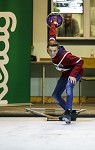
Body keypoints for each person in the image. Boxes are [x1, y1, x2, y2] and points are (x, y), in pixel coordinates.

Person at [47, 21, 84, 123]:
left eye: (54, 51)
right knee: (55, 95)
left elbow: (80, 61)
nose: (52, 53)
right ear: (48, 49)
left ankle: (68, 113)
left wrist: (73, 75)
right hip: (65, 74)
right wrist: (53, 24)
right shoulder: (51, 46)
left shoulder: (65, 55)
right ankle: (71, 113)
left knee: (69, 86)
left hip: (76, 72)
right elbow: (52, 35)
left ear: (58, 49)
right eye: (50, 51)